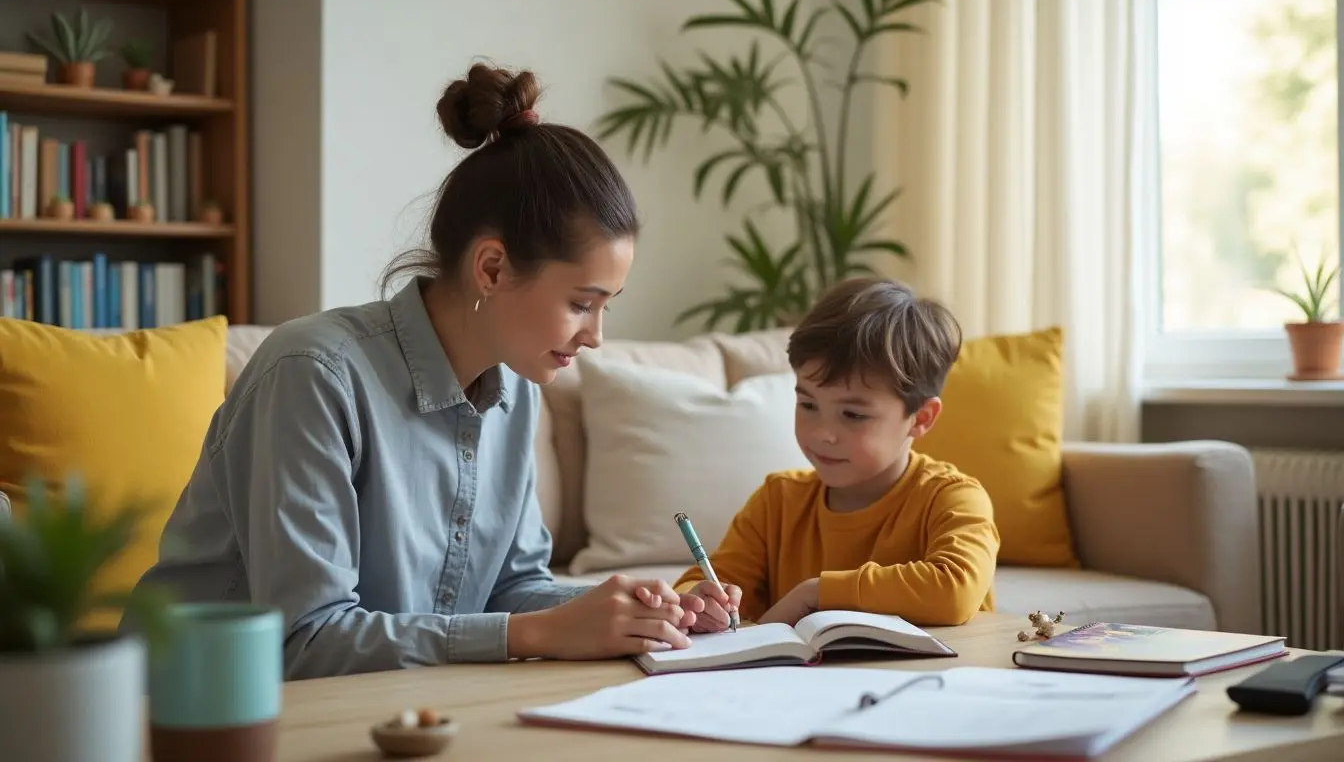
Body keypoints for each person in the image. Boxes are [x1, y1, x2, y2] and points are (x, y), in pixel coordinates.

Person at [131, 63, 704, 680]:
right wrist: (537, 632)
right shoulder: (313, 375)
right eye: (581, 303)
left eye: (605, 307)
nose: (595, 336)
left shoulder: (515, 387)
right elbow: (306, 639)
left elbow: (512, 589)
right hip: (187, 706)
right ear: (490, 269)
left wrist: (652, 613)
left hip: (380, 707)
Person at [676, 277, 1001, 631]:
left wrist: (816, 593)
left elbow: (953, 590)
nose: (822, 434)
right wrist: (699, 599)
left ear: (920, 419)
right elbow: (706, 581)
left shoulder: (953, 497)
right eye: (808, 404)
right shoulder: (777, 501)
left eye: (853, 414)